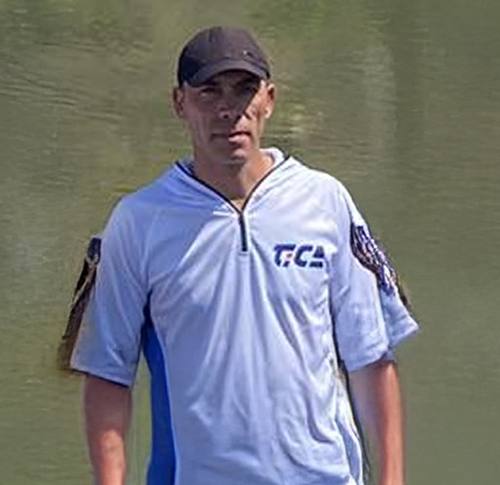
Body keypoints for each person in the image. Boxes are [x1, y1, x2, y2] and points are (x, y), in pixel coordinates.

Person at [62, 26, 419, 485]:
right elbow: (107, 374)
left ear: (269, 99)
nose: (229, 109)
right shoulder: (137, 222)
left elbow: (370, 356)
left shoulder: (326, 202)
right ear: (179, 103)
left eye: (244, 89)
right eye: (209, 92)